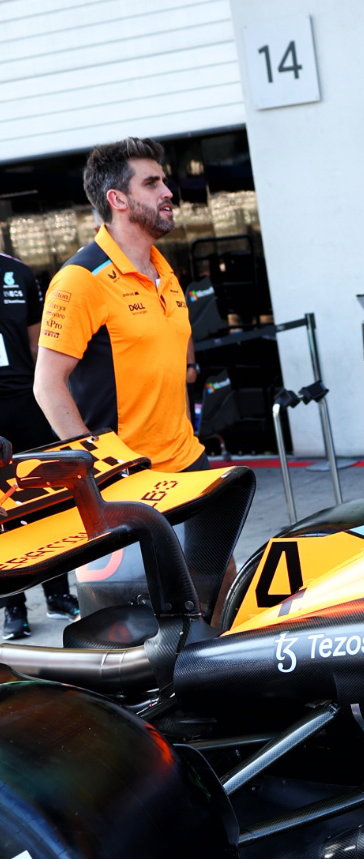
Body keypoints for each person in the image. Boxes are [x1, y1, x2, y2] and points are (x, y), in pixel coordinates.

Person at [34, 137, 203, 471]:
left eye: (164, 182)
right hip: (131, 476)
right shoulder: (81, 278)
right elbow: (47, 386)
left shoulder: (164, 270)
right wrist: (99, 466)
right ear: (118, 199)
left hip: (190, 459)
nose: (167, 192)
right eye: (152, 184)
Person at [0, 249, 81, 639]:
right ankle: (13, 607)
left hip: (27, 405)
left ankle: (59, 595)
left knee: (48, 503)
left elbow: (37, 348)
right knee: (2, 514)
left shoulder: (17, 273)